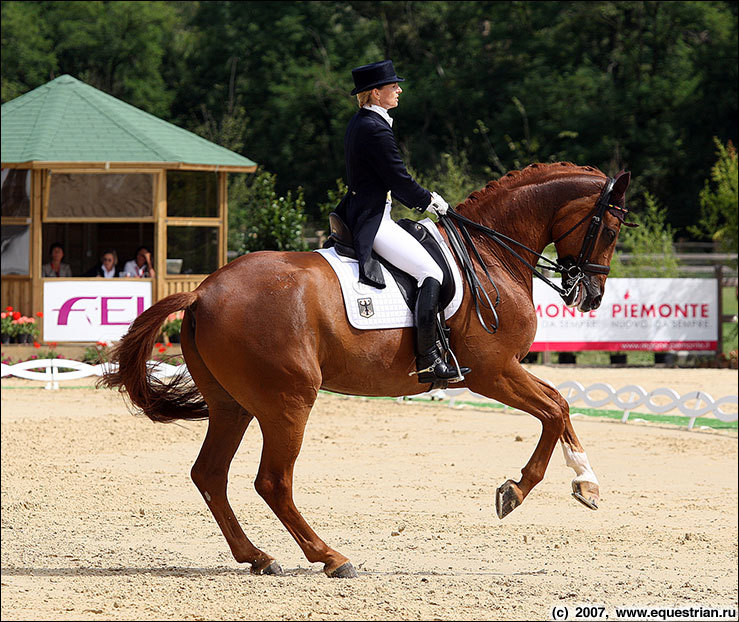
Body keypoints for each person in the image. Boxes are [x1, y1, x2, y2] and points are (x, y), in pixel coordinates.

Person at [336, 59, 470, 384]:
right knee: (431, 272)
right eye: (393, 86)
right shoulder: (374, 127)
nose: (399, 89)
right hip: (373, 219)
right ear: (376, 92)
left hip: (367, 211)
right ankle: (429, 359)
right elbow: (399, 180)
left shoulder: (362, 122)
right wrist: (431, 203)